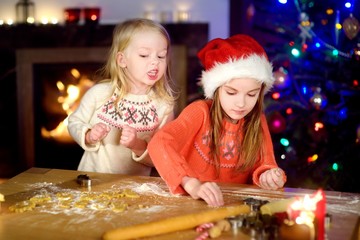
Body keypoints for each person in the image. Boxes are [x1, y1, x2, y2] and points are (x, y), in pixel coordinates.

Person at [148, 34, 286, 207]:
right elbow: (160, 143)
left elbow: (265, 164)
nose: (241, 103)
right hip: (192, 203)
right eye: (231, 92)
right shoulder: (200, 112)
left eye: (251, 94)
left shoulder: (257, 120)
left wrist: (269, 176)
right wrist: (191, 184)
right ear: (216, 89)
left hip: (234, 207)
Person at [67, 18, 176, 175]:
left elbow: (161, 157)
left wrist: (136, 144)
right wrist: (88, 135)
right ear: (122, 60)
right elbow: (74, 121)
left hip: (134, 189)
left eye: (161, 56)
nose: (155, 62)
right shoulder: (99, 93)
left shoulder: (163, 106)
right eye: (144, 55)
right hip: (93, 183)